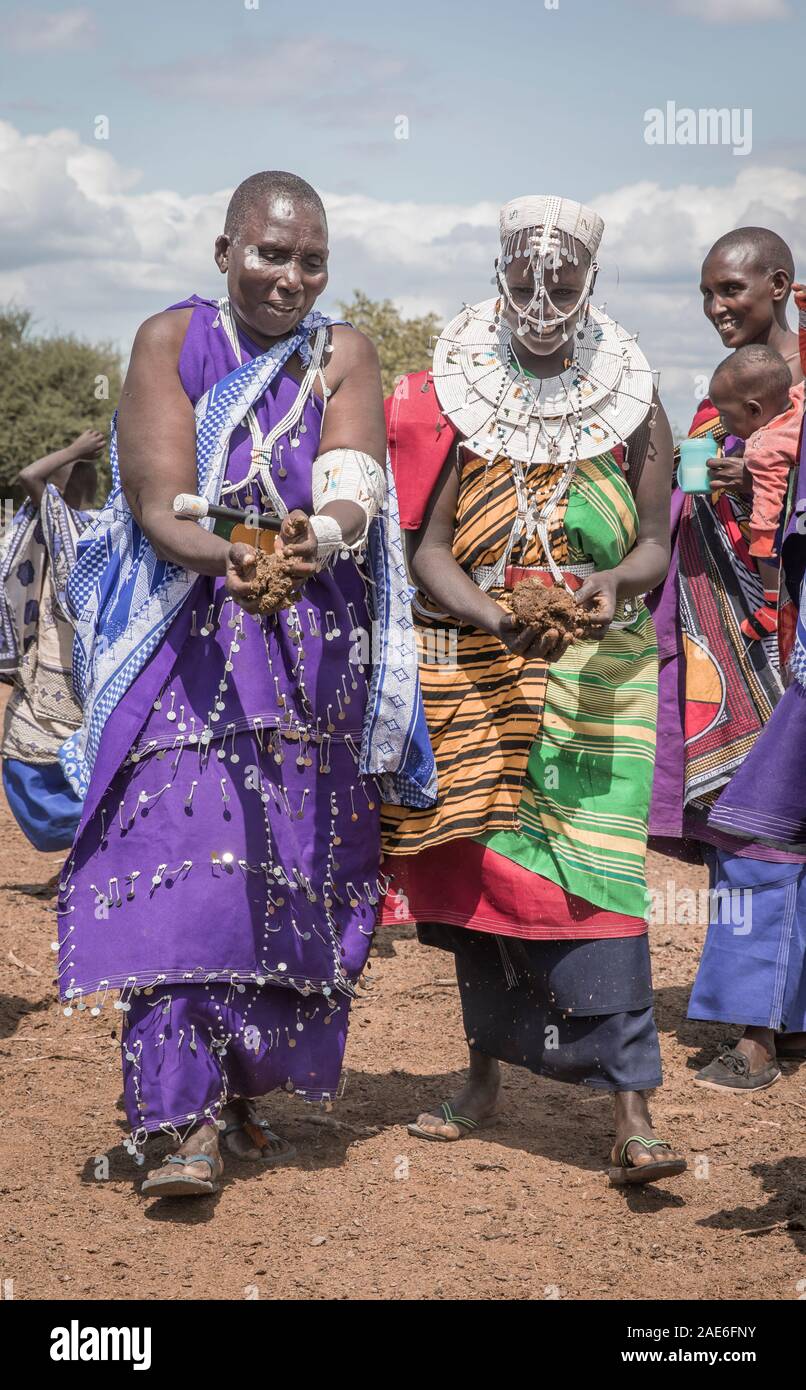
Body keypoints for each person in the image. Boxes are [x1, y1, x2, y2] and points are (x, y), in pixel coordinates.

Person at [55, 170, 432, 1198]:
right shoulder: (169, 341)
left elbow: (353, 481)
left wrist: (321, 534)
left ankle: (238, 1088)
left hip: (310, 643)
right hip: (194, 635)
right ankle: (181, 1118)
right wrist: (235, 557)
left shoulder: (340, 351)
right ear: (224, 251)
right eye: (270, 253)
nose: (290, 276)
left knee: (289, 869)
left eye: (311, 258)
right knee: (188, 866)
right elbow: (161, 504)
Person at [381, 194, 686, 1187]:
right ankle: (481, 1078)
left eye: (561, 279)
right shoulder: (455, 401)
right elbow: (425, 548)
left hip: (597, 676)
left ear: (589, 282)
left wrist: (608, 585)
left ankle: (629, 1105)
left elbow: (650, 542)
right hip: (474, 668)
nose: (541, 295)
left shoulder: (634, 402)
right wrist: (484, 611)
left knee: (597, 885)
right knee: (481, 887)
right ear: (498, 277)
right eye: (524, 277)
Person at [648, 226, 806, 1089]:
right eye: (707, 293)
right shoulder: (726, 400)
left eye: (733, 291)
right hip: (720, 653)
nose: (717, 309)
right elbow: (689, 495)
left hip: (784, 645)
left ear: (779, 285)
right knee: (747, 835)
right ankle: (771, 1023)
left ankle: (757, 1031)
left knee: (766, 834)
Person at [0, 429, 102, 860]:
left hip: (69, 666)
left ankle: (95, 838)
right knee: (43, 749)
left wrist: (73, 451)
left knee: (40, 757)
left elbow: (29, 475)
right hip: (67, 664)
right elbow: (31, 477)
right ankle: (92, 838)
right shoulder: (82, 525)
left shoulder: (76, 526)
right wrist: (76, 456)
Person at [707, 345, 804, 639]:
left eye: (725, 416)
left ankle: (771, 607)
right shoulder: (798, 399)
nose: (722, 424)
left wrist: (761, 542)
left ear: (753, 410)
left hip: (792, 526)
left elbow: (769, 500)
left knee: (765, 543)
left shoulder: (763, 447)